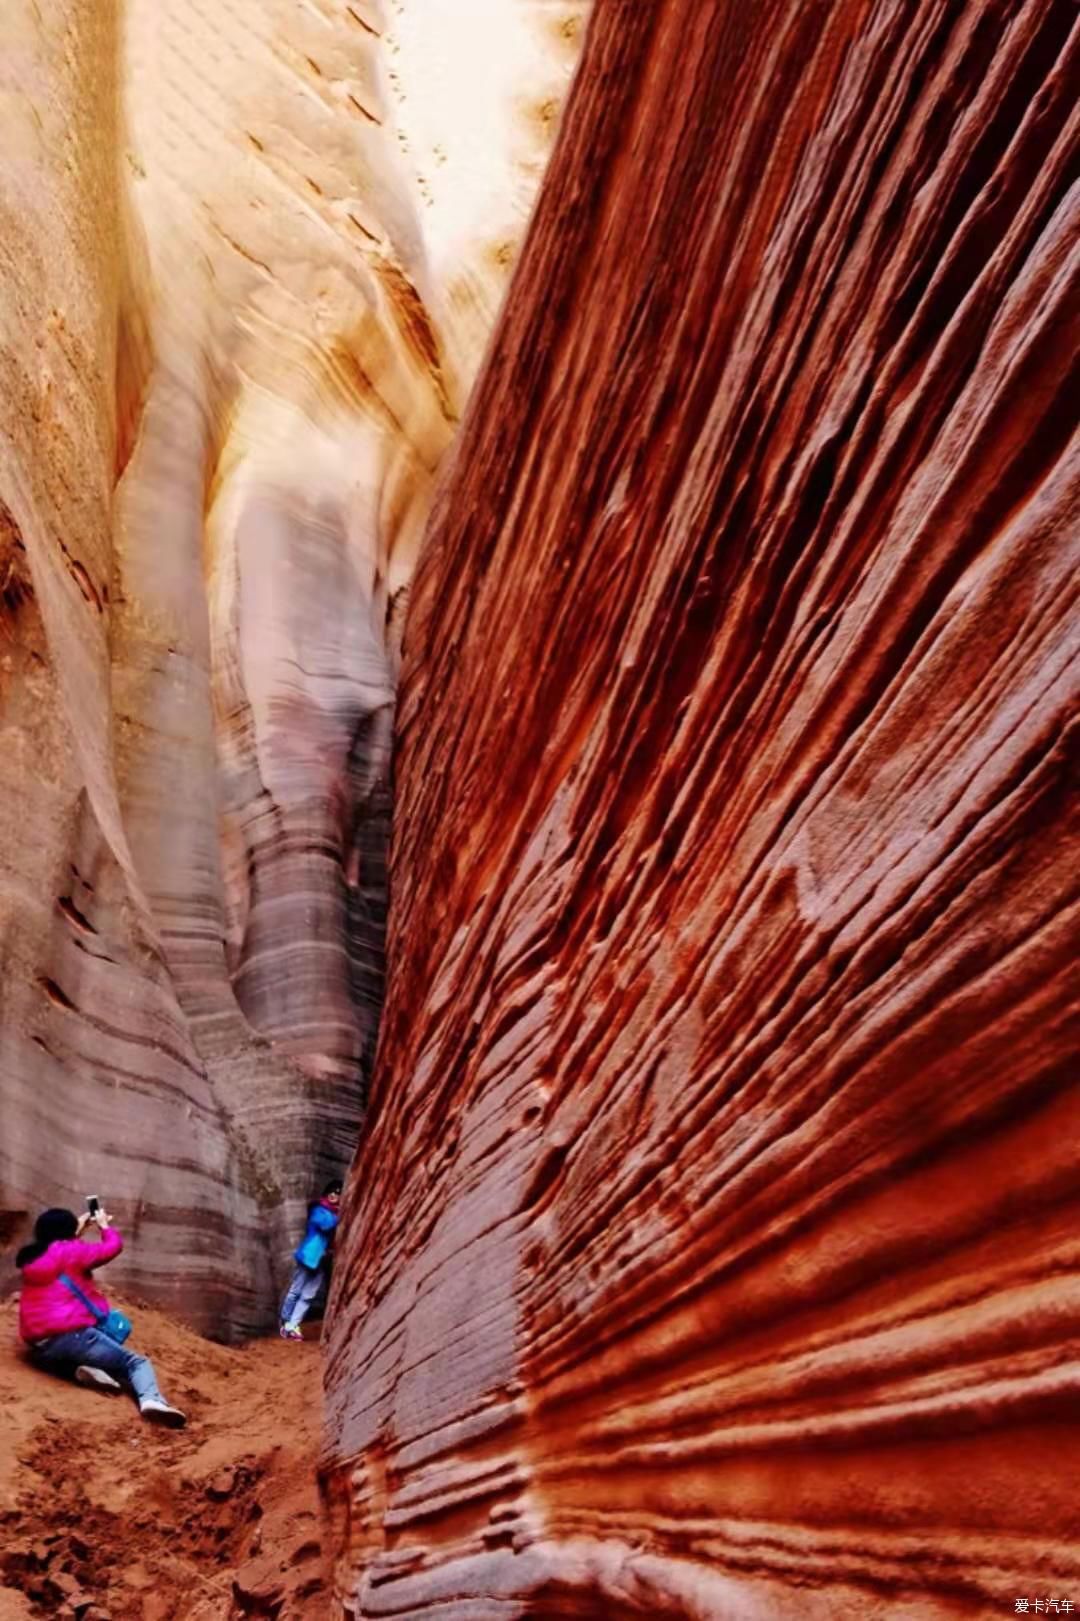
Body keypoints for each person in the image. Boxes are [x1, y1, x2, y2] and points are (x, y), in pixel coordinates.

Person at [16, 1206, 187, 1429]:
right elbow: (111, 1248)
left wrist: (77, 1229)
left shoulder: (33, 1258)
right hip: (72, 1334)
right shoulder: (71, 1252)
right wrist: (104, 1226)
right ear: (68, 1231)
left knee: (63, 1353)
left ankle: (80, 1370)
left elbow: (57, 1249)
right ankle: (152, 1400)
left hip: (38, 1342)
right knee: (135, 1363)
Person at [279, 1179, 342, 1340]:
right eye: (333, 1192)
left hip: (321, 1261)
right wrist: (342, 1213)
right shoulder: (318, 1209)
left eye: (339, 1193)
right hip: (309, 1256)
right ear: (327, 1193)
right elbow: (325, 1225)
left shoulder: (333, 1212)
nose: (335, 1195)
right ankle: (285, 1321)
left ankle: (293, 1325)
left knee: (308, 1295)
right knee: (296, 1290)